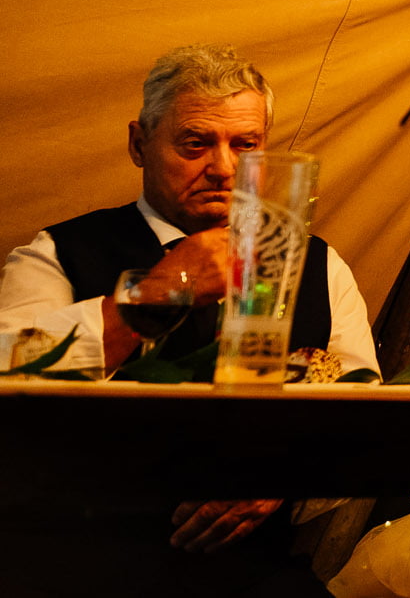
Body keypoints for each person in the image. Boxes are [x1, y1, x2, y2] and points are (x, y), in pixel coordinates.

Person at [0, 43, 377, 596]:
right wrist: (157, 293)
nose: (223, 168)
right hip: (79, 565)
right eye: (195, 143)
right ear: (139, 144)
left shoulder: (319, 266)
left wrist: (287, 474)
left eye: (245, 144)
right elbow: (11, 378)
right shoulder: (58, 252)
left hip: (255, 575)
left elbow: (366, 420)